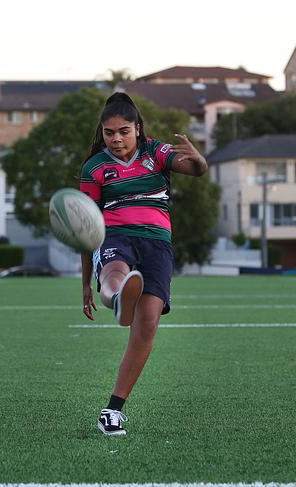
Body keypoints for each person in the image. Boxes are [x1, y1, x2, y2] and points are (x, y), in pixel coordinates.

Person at [79, 92, 207, 436]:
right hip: (115, 235)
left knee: (148, 323)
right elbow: (87, 226)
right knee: (116, 273)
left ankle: (113, 411)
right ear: (102, 133)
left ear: (138, 128)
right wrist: (84, 284)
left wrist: (198, 159)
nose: (117, 138)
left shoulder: (157, 152)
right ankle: (118, 296)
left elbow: (193, 169)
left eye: (123, 131)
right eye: (109, 133)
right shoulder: (94, 168)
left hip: (157, 245)